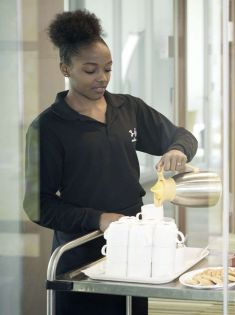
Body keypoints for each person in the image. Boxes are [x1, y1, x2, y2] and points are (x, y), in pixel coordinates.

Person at [23, 9, 197, 315]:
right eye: (90, 70)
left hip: (133, 251)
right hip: (80, 256)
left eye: (108, 69)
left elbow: (181, 135)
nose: (101, 78)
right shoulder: (48, 128)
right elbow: (39, 205)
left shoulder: (127, 109)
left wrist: (177, 149)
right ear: (65, 68)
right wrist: (99, 219)